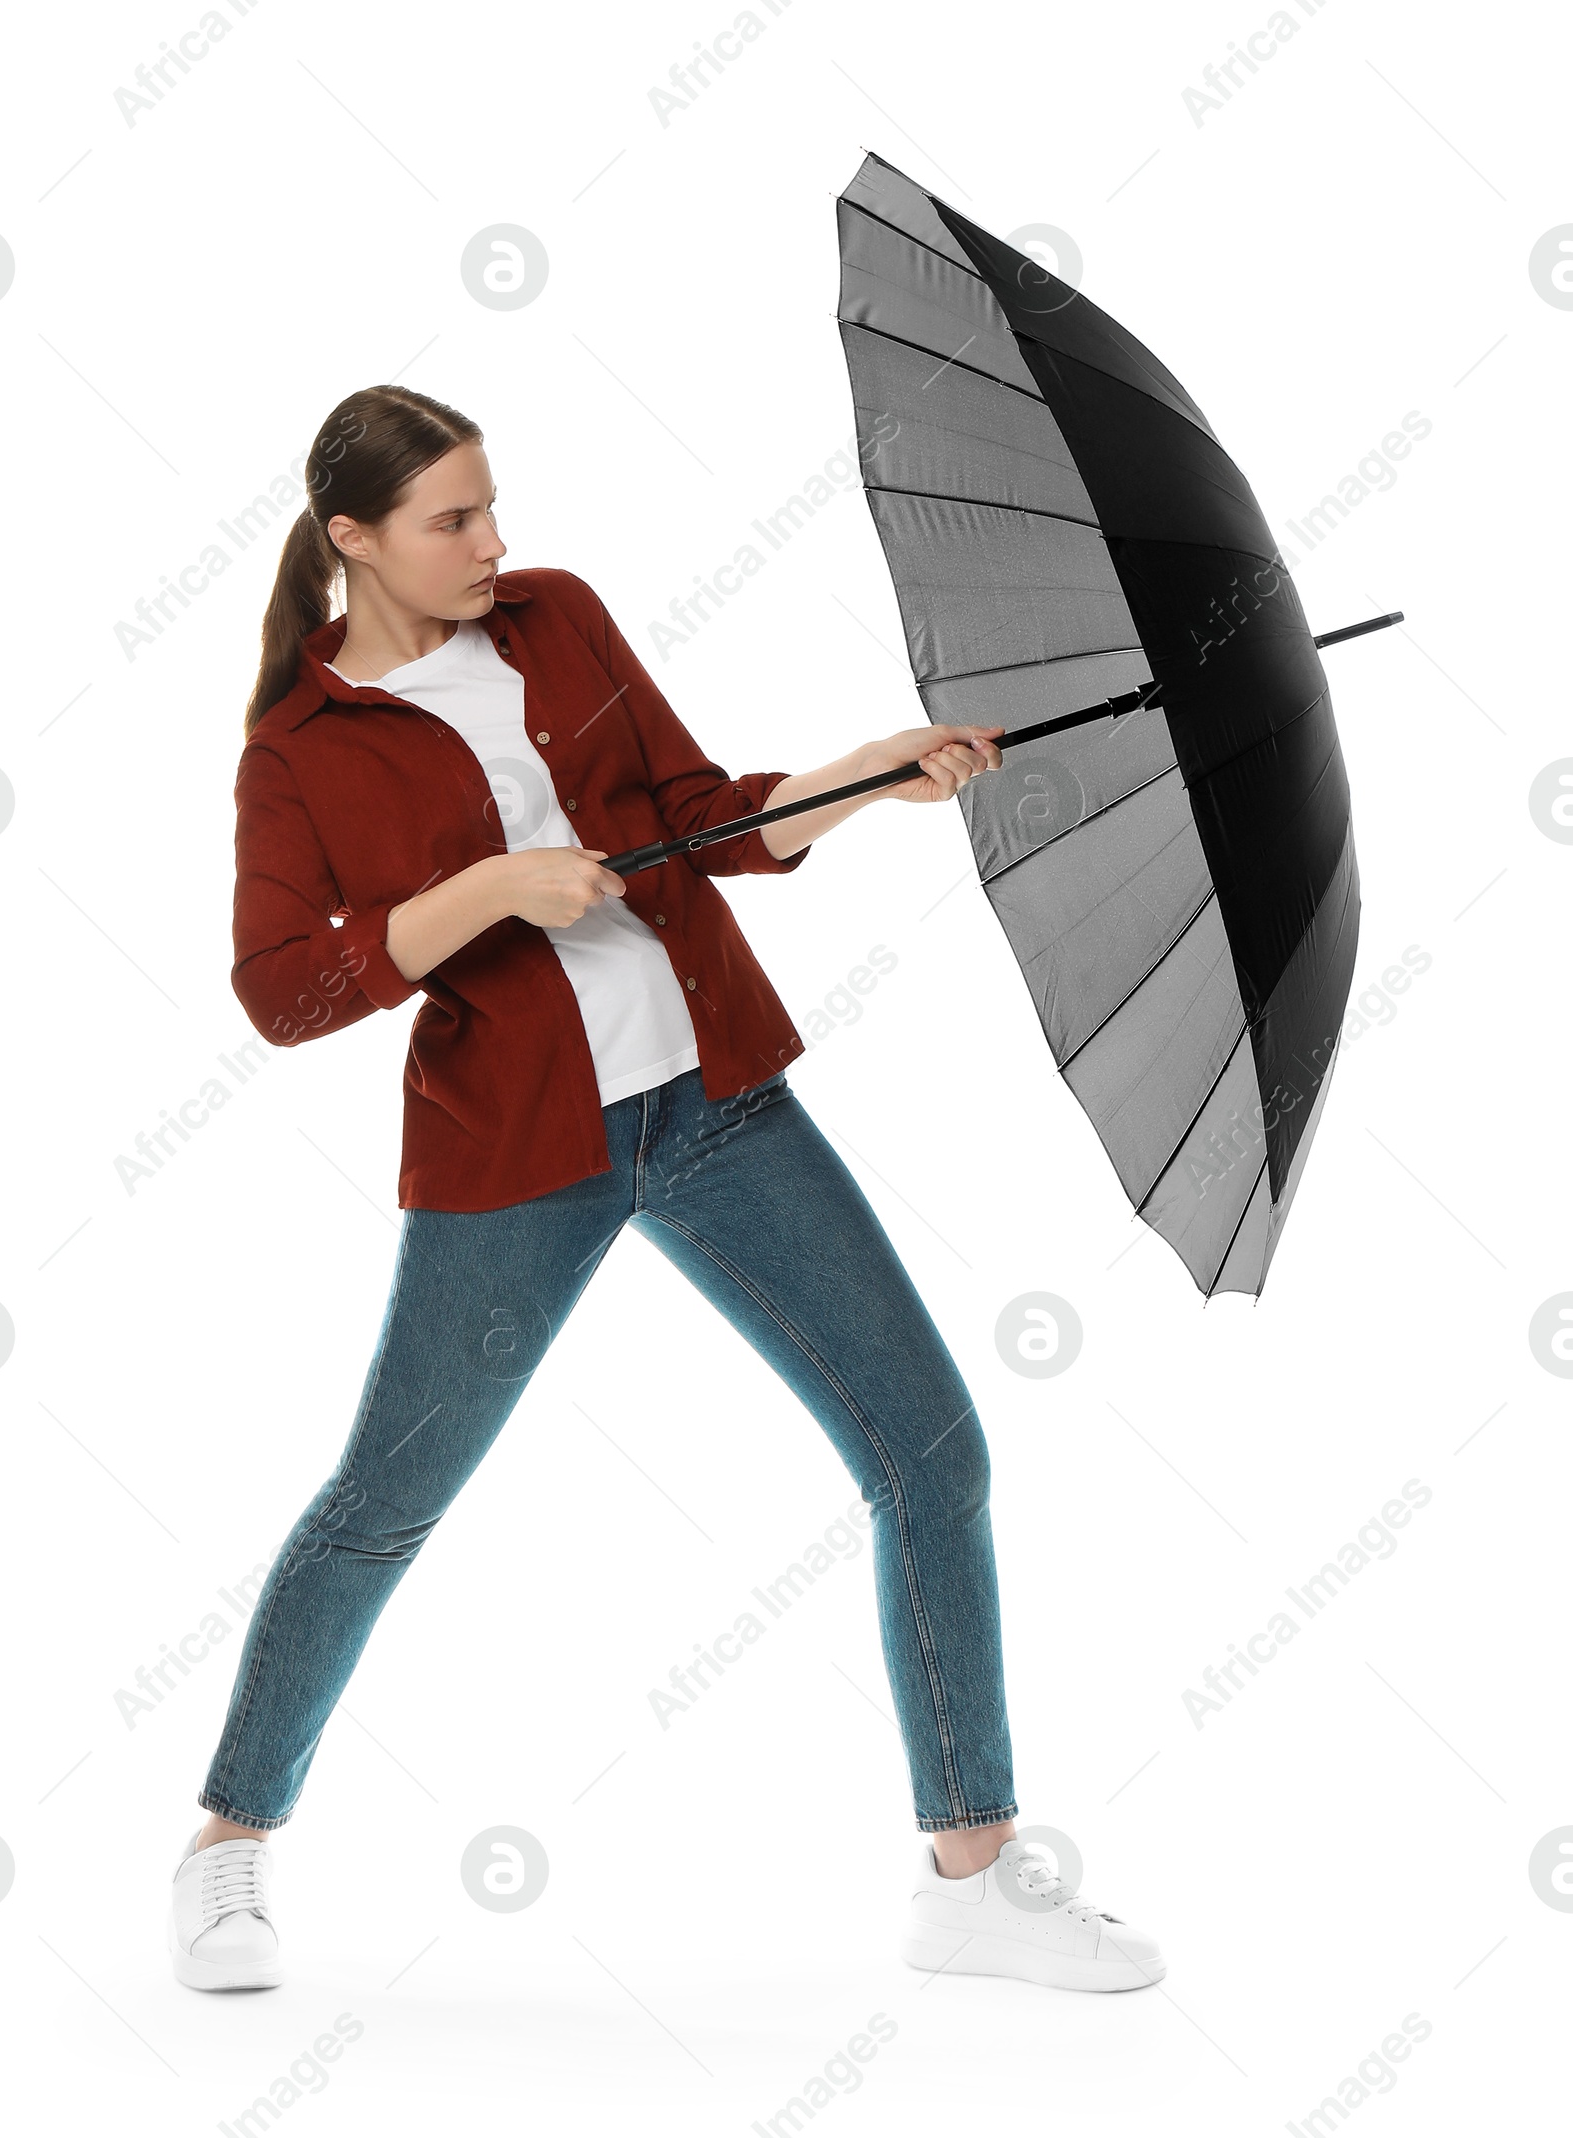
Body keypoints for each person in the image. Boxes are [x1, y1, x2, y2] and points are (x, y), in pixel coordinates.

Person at [167, 383, 1164, 1996]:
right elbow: (283, 990)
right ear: (352, 540)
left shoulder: (555, 620)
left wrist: (859, 776)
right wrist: (485, 890)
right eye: (453, 522)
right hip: (521, 1153)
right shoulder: (294, 750)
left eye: (495, 507)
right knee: (384, 1504)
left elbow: (695, 818)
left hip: (717, 1101)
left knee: (929, 1449)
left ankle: (971, 1876)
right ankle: (227, 1846)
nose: (497, 544)